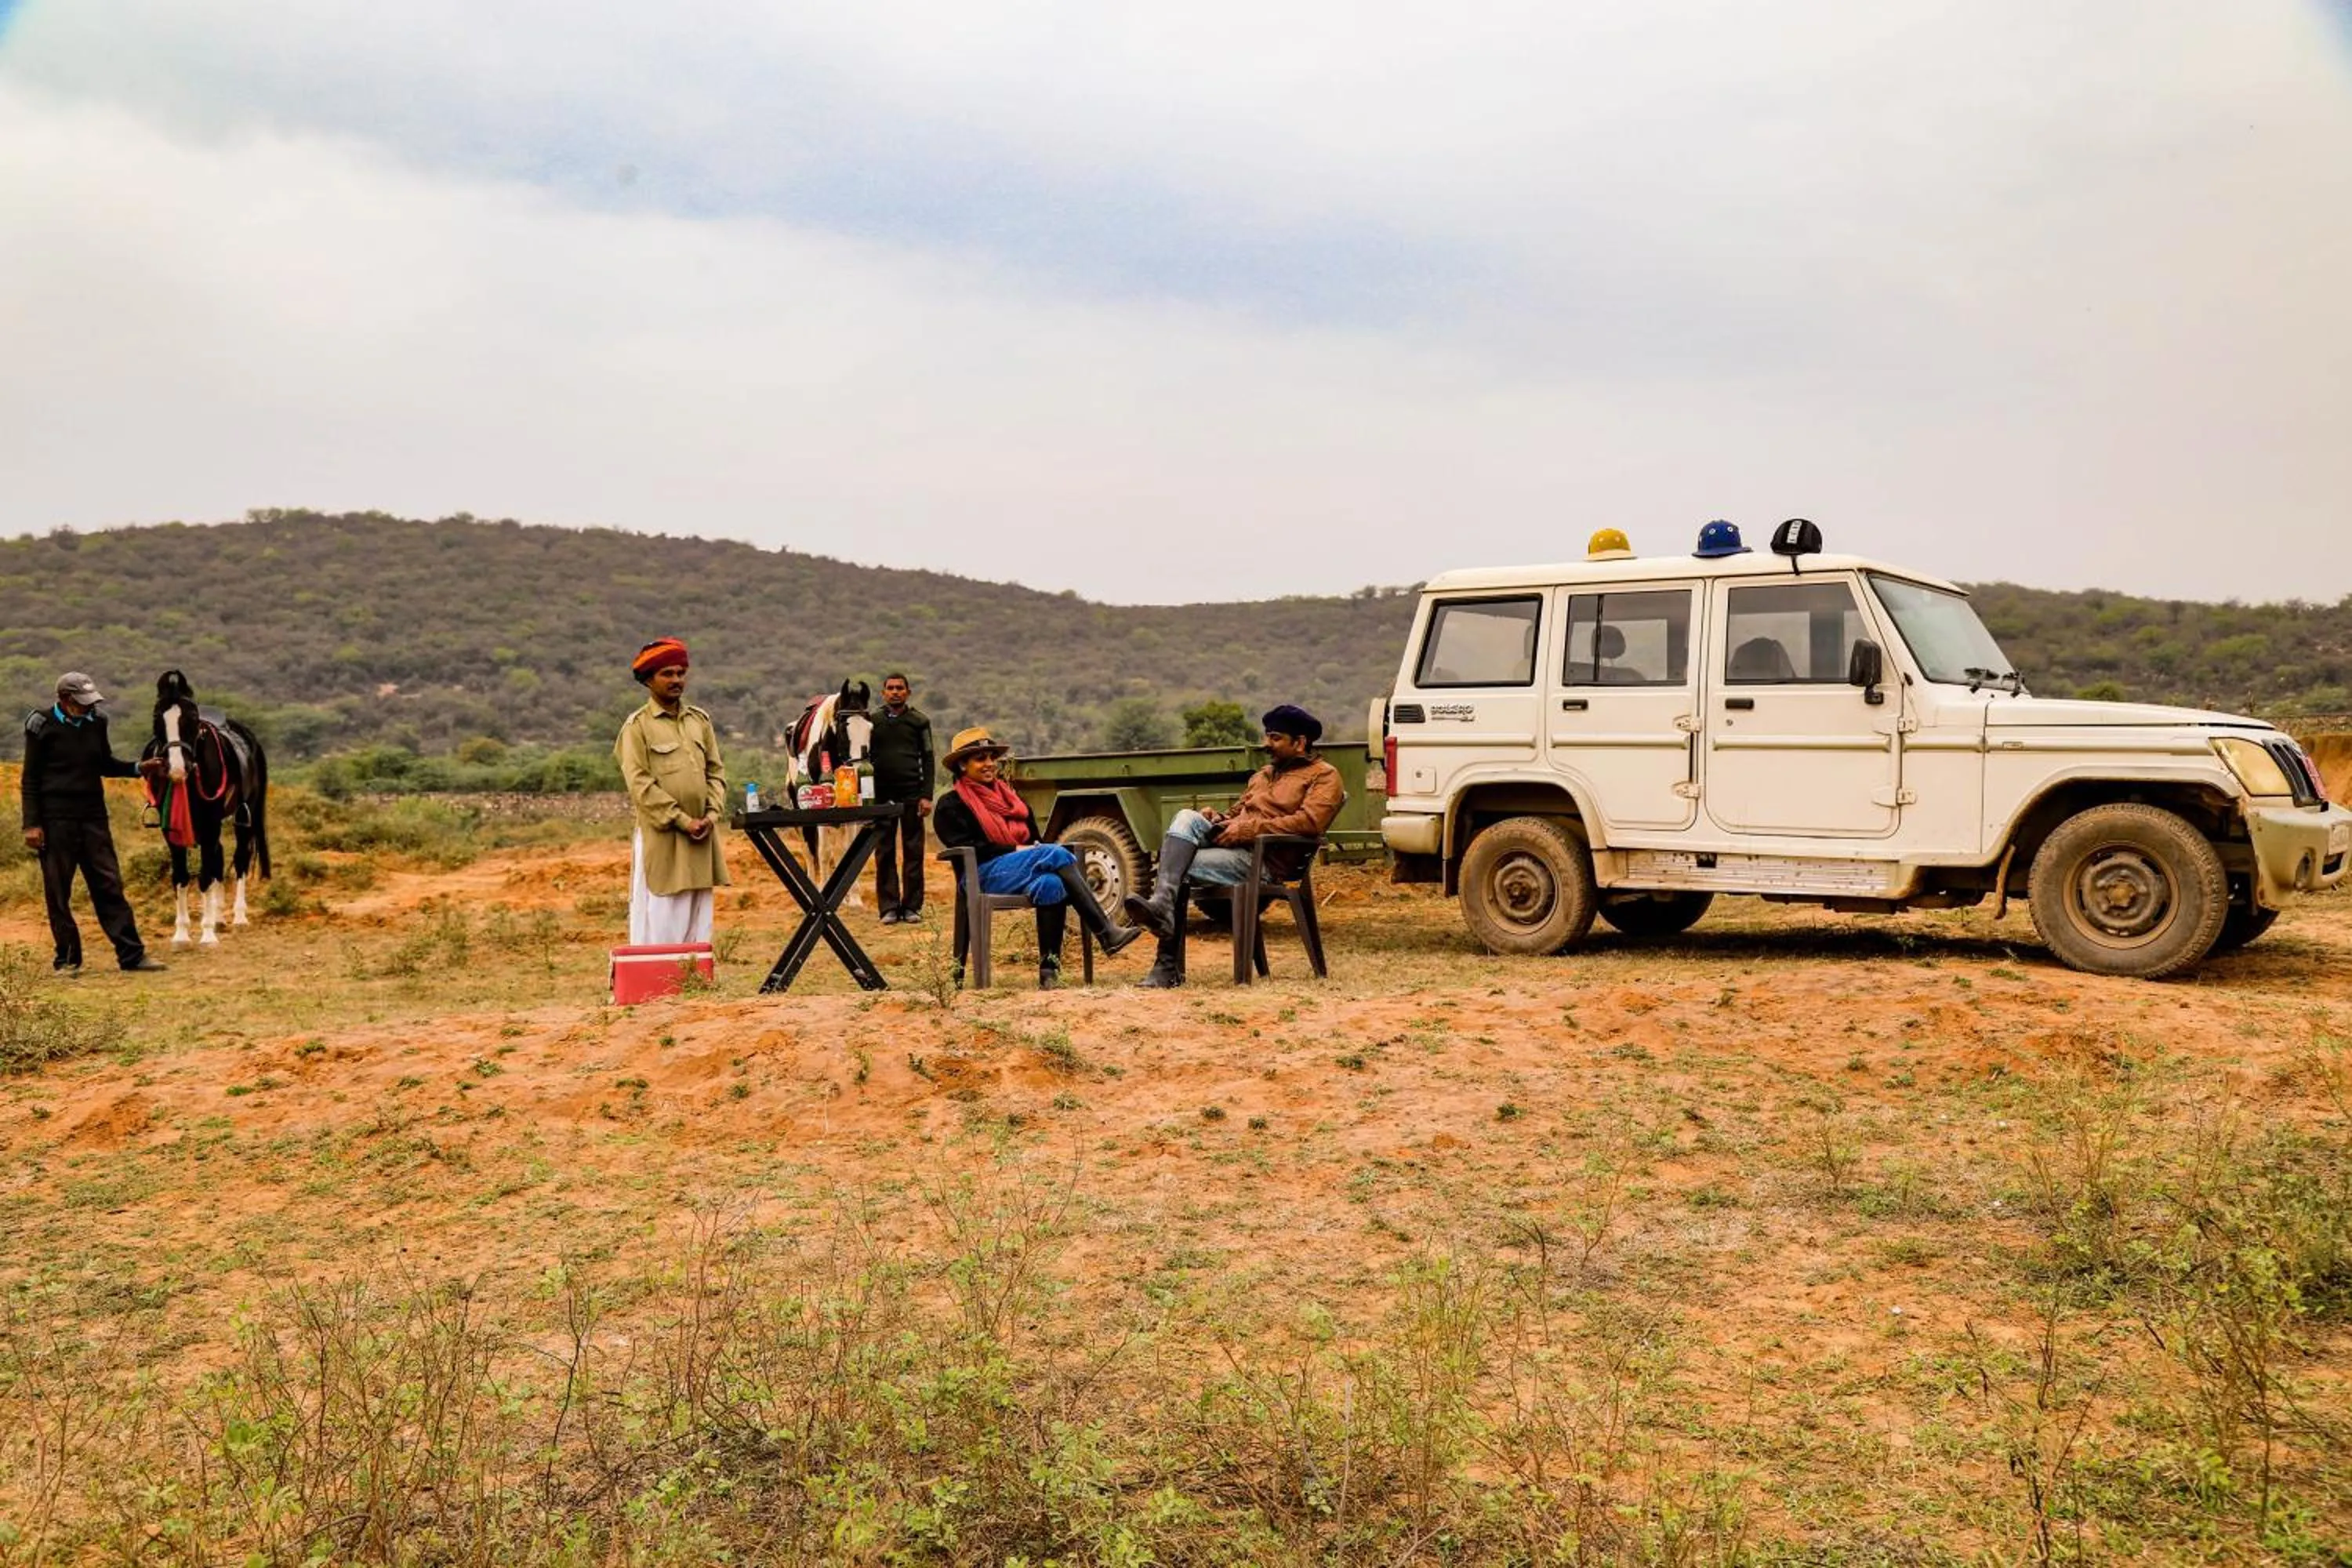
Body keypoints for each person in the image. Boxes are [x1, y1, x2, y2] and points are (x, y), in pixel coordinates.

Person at [1123, 704, 1345, 989]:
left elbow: (1310, 822)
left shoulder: (1324, 776)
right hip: (1235, 848)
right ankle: (1163, 906)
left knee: (1177, 865)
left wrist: (1250, 829)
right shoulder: (1263, 775)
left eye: (1275, 738)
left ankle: (1166, 964)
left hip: (1266, 861)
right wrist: (1218, 818)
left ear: (1300, 742)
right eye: (1267, 736)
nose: (1267, 744)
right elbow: (1238, 813)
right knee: (1186, 818)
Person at [931, 727, 1140, 987]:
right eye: (980, 758)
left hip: (1021, 871)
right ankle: (1106, 931)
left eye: (991, 758)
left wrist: (1031, 849)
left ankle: (1049, 973)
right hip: (982, 874)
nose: (989, 764)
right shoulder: (952, 804)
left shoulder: (1013, 801)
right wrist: (1018, 851)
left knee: (1051, 885)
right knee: (1054, 852)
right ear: (962, 765)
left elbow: (1033, 839)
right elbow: (965, 846)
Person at [20, 672, 165, 973]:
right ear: (65, 699)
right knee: (59, 893)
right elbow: (30, 778)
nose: (87, 708)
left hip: (93, 818)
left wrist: (140, 768)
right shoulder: (40, 725)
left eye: (90, 703)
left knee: (109, 885)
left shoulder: (98, 722)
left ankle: (132, 956)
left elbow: (104, 764)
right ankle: (68, 960)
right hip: (54, 820)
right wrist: (31, 824)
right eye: (81, 703)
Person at [613, 637, 728, 946]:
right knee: (662, 911)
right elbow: (640, 785)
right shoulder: (636, 727)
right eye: (667, 674)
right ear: (649, 680)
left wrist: (711, 815)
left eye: (680, 672)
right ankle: (658, 984)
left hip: (702, 833)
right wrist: (682, 820)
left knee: (699, 912)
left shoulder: (699, 721)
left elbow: (716, 772)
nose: (676, 680)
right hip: (663, 837)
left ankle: (694, 982)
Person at [867, 672, 935, 924]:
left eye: (900, 688)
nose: (895, 692)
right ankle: (889, 908)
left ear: (908, 692)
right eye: (890, 688)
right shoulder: (872, 722)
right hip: (881, 797)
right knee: (884, 851)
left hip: (911, 795)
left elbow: (928, 758)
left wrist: (926, 796)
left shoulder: (920, 721)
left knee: (913, 851)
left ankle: (912, 907)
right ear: (883, 693)